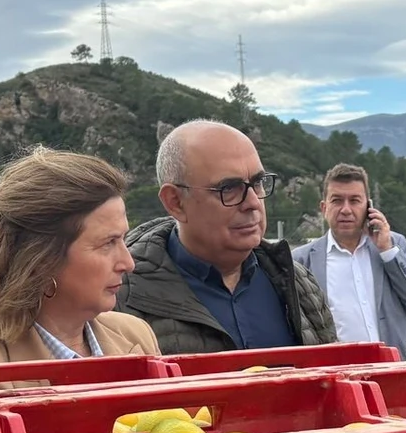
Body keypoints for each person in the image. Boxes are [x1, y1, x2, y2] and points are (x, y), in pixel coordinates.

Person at [116, 120, 335, 354]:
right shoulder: (120, 298)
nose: (253, 203)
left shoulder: (299, 283)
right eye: (229, 188)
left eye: (258, 183)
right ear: (175, 202)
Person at [0, 148, 157, 367]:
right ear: (42, 259)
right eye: (108, 243)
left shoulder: (136, 335)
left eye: (123, 239)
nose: (128, 264)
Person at [292, 163, 406, 350]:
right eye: (337, 200)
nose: (346, 209)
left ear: (368, 207)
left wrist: (387, 250)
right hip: (338, 367)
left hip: (396, 363)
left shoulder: (393, 245)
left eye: (354, 200)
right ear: (324, 208)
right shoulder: (302, 261)